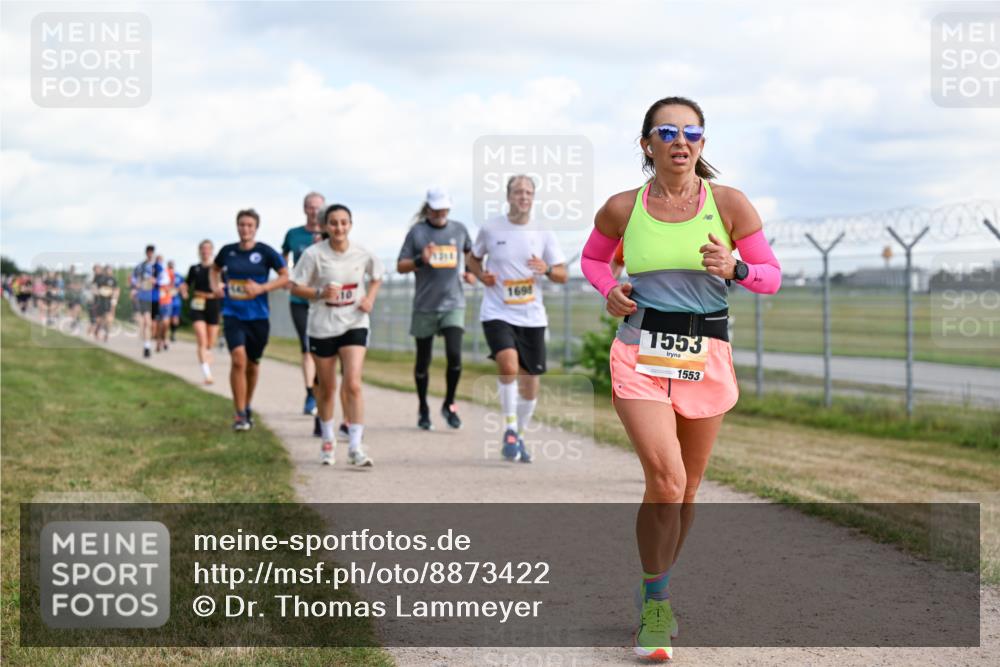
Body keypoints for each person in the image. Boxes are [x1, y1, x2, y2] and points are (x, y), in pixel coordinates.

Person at [580, 96, 781, 661]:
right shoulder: (624, 207)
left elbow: (771, 278)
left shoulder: (730, 204)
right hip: (639, 352)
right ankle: (656, 605)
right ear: (647, 144)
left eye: (691, 132)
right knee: (665, 481)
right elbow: (594, 261)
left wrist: (736, 267)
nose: (680, 141)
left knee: (687, 490)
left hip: (706, 354)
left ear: (702, 143)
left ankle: (657, 587)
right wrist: (609, 291)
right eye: (667, 131)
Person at [466, 175, 568, 463]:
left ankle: (518, 436)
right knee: (508, 364)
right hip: (497, 310)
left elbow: (562, 275)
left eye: (528, 192)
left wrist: (546, 269)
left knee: (530, 382)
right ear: (508, 196)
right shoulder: (490, 228)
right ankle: (510, 427)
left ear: (533, 197)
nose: (523, 196)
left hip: (532, 316)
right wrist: (479, 274)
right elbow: (472, 259)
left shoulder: (544, 231)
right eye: (518, 191)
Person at [290, 203, 383, 466]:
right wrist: (319, 293)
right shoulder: (313, 254)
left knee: (353, 383)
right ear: (325, 226)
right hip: (322, 325)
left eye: (344, 222)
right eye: (333, 223)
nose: (339, 227)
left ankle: (355, 446)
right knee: (328, 387)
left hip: (354, 322)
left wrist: (370, 299)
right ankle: (328, 440)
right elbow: (295, 287)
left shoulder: (362, 252)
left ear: (350, 225)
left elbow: (377, 276)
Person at [396, 187, 475, 430]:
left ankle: (449, 404)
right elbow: (401, 266)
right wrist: (421, 259)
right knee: (423, 361)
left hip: (453, 303)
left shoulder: (459, 229)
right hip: (425, 306)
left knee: (455, 357)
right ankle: (423, 408)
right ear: (428, 208)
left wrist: (471, 272)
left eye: (444, 208)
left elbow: (470, 254)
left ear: (449, 208)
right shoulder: (417, 232)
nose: (440, 212)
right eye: (435, 208)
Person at [211, 208, 289, 431]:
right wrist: (216, 286)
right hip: (233, 313)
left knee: (253, 364)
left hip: (258, 316)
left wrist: (263, 287)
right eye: (241, 224)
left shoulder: (265, 252)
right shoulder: (228, 252)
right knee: (238, 359)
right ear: (237, 226)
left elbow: (285, 276)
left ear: (256, 228)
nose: (245, 229)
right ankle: (239, 414)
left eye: (249, 225)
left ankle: (247, 403)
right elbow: (214, 270)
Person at [283, 192, 325, 418]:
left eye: (318, 207)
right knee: (307, 346)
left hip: (324, 300)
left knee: (324, 349)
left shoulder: (331, 233)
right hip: (300, 298)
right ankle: (311, 393)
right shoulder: (294, 234)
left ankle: (323, 389)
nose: (314, 211)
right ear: (304, 209)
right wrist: (286, 276)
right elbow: (283, 257)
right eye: (310, 207)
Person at [186, 240, 222, 384]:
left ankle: (207, 353)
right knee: (202, 338)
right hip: (198, 303)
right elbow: (187, 284)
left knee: (210, 342)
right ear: (199, 251)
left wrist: (222, 287)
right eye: (203, 249)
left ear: (212, 251)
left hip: (213, 303)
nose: (205, 251)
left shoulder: (218, 269)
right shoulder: (194, 268)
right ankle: (207, 374)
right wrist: (183, 290)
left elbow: (225, 284)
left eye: (208, 249)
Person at [131, 246, 160, 358]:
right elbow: (133, 278)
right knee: (145, 322)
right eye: (148, 252)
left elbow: (165, 279)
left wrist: (156, 281)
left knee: (151, 323)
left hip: (154, 297)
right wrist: (136, 285)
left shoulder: (157, 267)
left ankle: (149, 343)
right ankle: (147, 346)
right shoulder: (140, 266)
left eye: (152, 252)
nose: (150, 254)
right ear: (146, 253)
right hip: (143, 296)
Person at [93, 264, 119, 342]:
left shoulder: (113, 279)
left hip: (108, 302)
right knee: (99, 320)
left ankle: (106, 334)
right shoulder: (99, 278)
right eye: (108, 270)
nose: (109, 271)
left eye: (110, 270)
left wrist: (114, 300)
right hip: (100, 301)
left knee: (108, 318)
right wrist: (97, 292)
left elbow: (116, 290)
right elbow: (94, 287)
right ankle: (97, 330)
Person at [168, 260, 184, 342]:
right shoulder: (164, 275)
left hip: (176, 300)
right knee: (167, 318)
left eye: (172, 265)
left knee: (175, 318)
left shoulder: (179, 276)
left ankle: (173, 333)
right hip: (166, 300)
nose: (171, 267)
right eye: (170, 265)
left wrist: (181, 291)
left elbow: (183, 287)